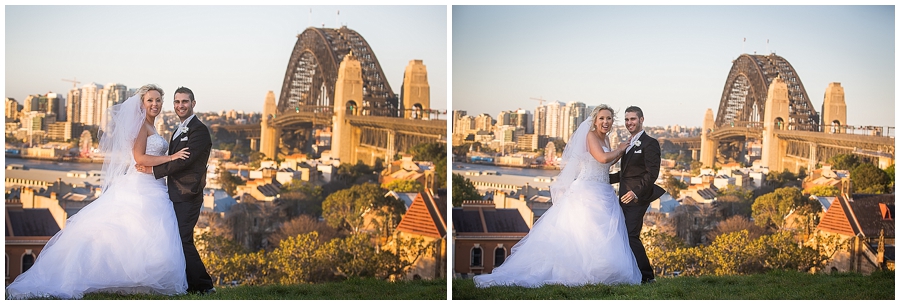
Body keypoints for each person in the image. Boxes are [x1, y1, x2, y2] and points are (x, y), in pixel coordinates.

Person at [6, 84, 190, 299]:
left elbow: (146, 159)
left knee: (140, 234)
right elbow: (139, 158)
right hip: (141, 185)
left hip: (153, 183)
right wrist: (170, 157)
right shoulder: (142, 126)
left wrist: (158, 164)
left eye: (158, 100)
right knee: (134, 230)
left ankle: (137, 280)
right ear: (142, 103)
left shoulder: (153, 127)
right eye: (150, 100)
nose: (155, 104)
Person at [474, 105, 642, 288]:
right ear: (595, 120)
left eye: (609, 118)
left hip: (603, 189)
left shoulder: (607, 139)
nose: (605, 122)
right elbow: (602, 158)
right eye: (602, 118)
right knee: (586, 232)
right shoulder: (591, 136)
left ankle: (603, 272)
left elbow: (607, 162)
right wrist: (621, 148)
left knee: (600, 235)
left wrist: (619, 152)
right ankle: (581, 272)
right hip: (587, 191)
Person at [136, 87, 215, 294]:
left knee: (182, 238)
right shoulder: (179, 129)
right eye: (177, 102)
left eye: (185, 102)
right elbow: (173, 158)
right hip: (174, 193)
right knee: (178, 239)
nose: (181, 106)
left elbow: (184, 161)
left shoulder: (199, 130)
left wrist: (153, 170)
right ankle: (191, 285)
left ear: (193, 103)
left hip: (188, 194)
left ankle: (205, 286)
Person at [610, 106, 666, 284]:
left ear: (641, 120)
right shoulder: (628, 143)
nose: (629, 123)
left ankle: (647, 277)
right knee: (623, 234)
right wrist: (602, 179)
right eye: (627, 120)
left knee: (630, 234)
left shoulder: (650, 143)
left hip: (637, 198)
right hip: (624, 197)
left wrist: (636, 192)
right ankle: (630, 273)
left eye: (633, 119)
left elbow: (652, 173)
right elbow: (626, 174)